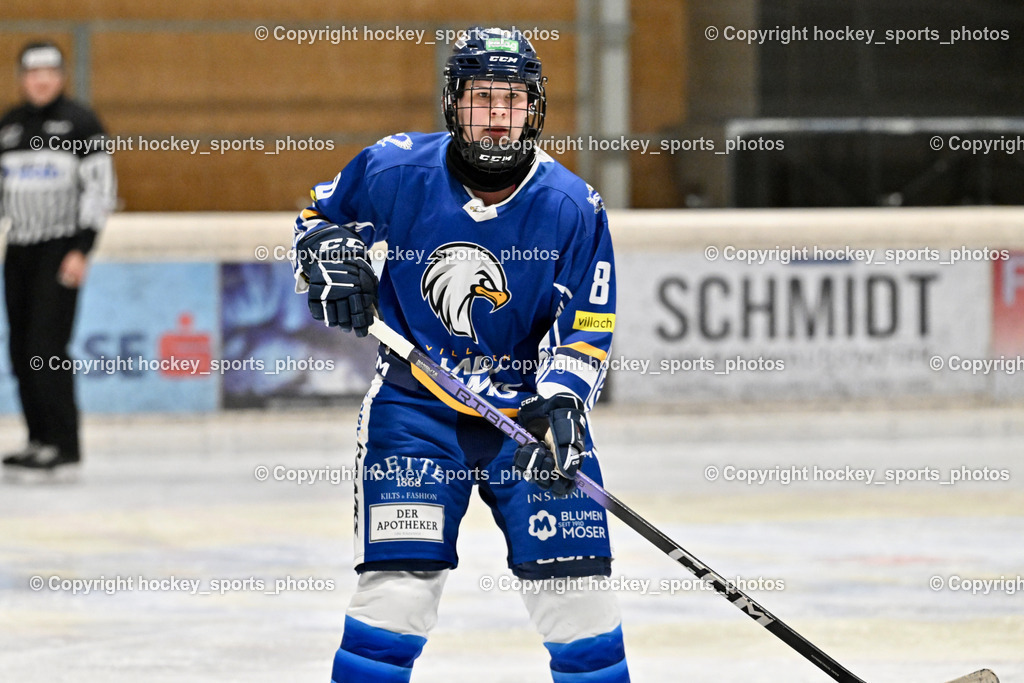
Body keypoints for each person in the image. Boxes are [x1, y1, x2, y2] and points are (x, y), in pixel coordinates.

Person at [292, 28, 628, 682]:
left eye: (513, 100)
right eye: (483, 99)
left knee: (578, 597)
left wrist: (561, 400)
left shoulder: (573, 206)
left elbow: (588, 321)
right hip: (414, 409)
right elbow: (317, 218)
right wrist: (327, 257)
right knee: (398, 592)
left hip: (529, 417)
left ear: (535, 109)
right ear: (454, 104)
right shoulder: (393, 169)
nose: (498, 117)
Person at [1, 41, 116, 475]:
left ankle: (64, 444)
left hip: (61, 248)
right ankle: (37, 439)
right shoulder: (9, 127)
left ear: (62, 76)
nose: (41, 80)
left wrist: (82, 248)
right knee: (18, 349)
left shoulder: (82, 124)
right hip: (19, 249)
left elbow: (100, 191)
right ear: (22, 78)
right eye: (32, 73)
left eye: (49, 72)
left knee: (46, 347)